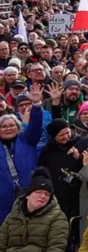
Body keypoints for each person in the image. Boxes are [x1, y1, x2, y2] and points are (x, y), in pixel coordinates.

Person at [0, 167, 68, 252]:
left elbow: (55, 251)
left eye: (47, 194)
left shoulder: (57, 217)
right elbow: (1, 245)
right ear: (28, 195)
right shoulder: (12, 216)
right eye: (38, 192)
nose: (43, 196)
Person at [0, 87, 44, 223]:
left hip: (27, 192)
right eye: (4, 126)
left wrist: (36, 106)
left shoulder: (27, 139)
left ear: (18, 128)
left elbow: (36, 126)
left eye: (12, 125)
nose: (8, 128)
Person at [39, 118, 88, 220]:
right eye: (61, 135)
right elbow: (42, 169)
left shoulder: (84, 143)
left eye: (67, 133)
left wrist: (79, 158)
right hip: (58, 192)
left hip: (79, 191)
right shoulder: (48, 149)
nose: (66, 137)